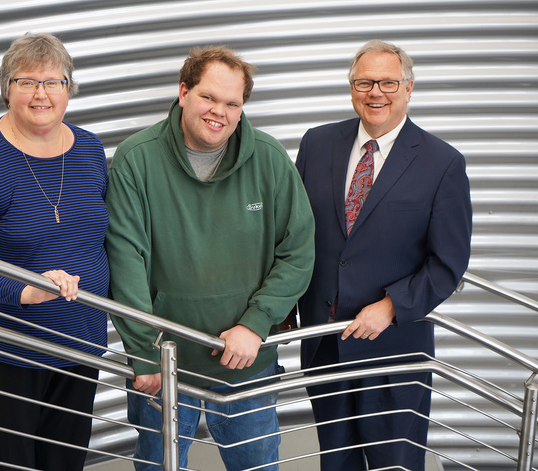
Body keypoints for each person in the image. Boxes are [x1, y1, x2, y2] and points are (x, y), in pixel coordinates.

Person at [105, 45, 315, 470]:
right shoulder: (136, 161)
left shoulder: (270, 161)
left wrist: (256, 324)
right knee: (157, 466)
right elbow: (126, 260)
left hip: (246, 367)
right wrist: (144, 355)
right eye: (208, 97)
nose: (219, 111)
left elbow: (298, 252)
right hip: (164, 368)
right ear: (183, 92)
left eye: (232, 103)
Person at [295, 40, 472, 471]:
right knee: (336, 463)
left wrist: (392, 306)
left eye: (388, 82)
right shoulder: (317, 144)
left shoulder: (442, 162)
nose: (376, 93)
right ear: (352, 88)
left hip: (393, 348)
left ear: (408, 88)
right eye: (364, 82)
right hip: (325, 343)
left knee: (395, 464)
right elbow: (294, 232)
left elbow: (449, 262)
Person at [0, 32, 109, 471]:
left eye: (53, 82)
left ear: (68, 89)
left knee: (67, 461)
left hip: (81, 343)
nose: (41, 94)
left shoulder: (90, 150)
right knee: (17, 464)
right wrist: (26, 291)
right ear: (7, 89)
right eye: (27, 82)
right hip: (11, 351)